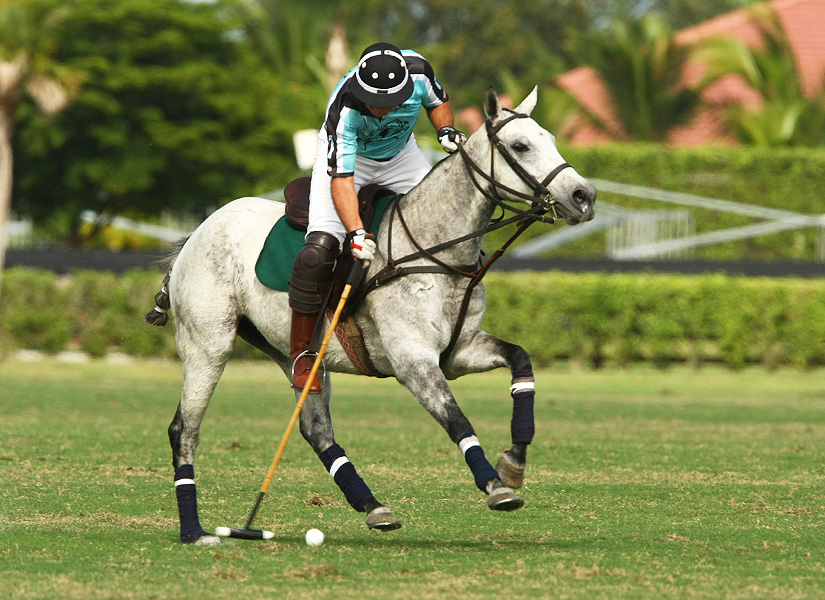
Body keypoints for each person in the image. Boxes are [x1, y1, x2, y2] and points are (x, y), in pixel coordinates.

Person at [288, 41, 466, 391]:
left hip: (402, 157)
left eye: (389, 103)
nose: (381, 110)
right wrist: (355, 232)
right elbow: (342, 180)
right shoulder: (344, 108)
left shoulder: (419, 71)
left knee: (444, 225)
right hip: (351, 163)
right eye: (374, 102)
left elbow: (439, 102)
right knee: (320, 248)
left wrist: (445, 130)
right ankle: (302, 354)